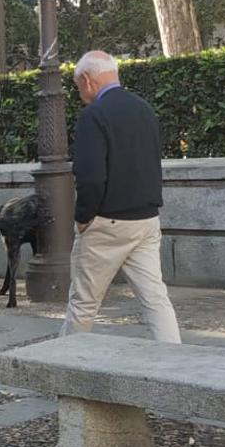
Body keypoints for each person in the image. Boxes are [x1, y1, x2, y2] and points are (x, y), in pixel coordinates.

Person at [60, 51, 180, 343]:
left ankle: (64, 370)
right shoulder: (144, 109)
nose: (80, 95)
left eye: (78, 87)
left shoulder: (94, 116)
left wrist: (83, 217)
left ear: (87, 80)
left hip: (107, 221)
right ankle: (176, 365)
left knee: (84, 302)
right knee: (155, 299)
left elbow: (89, 176)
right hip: (147, 219)